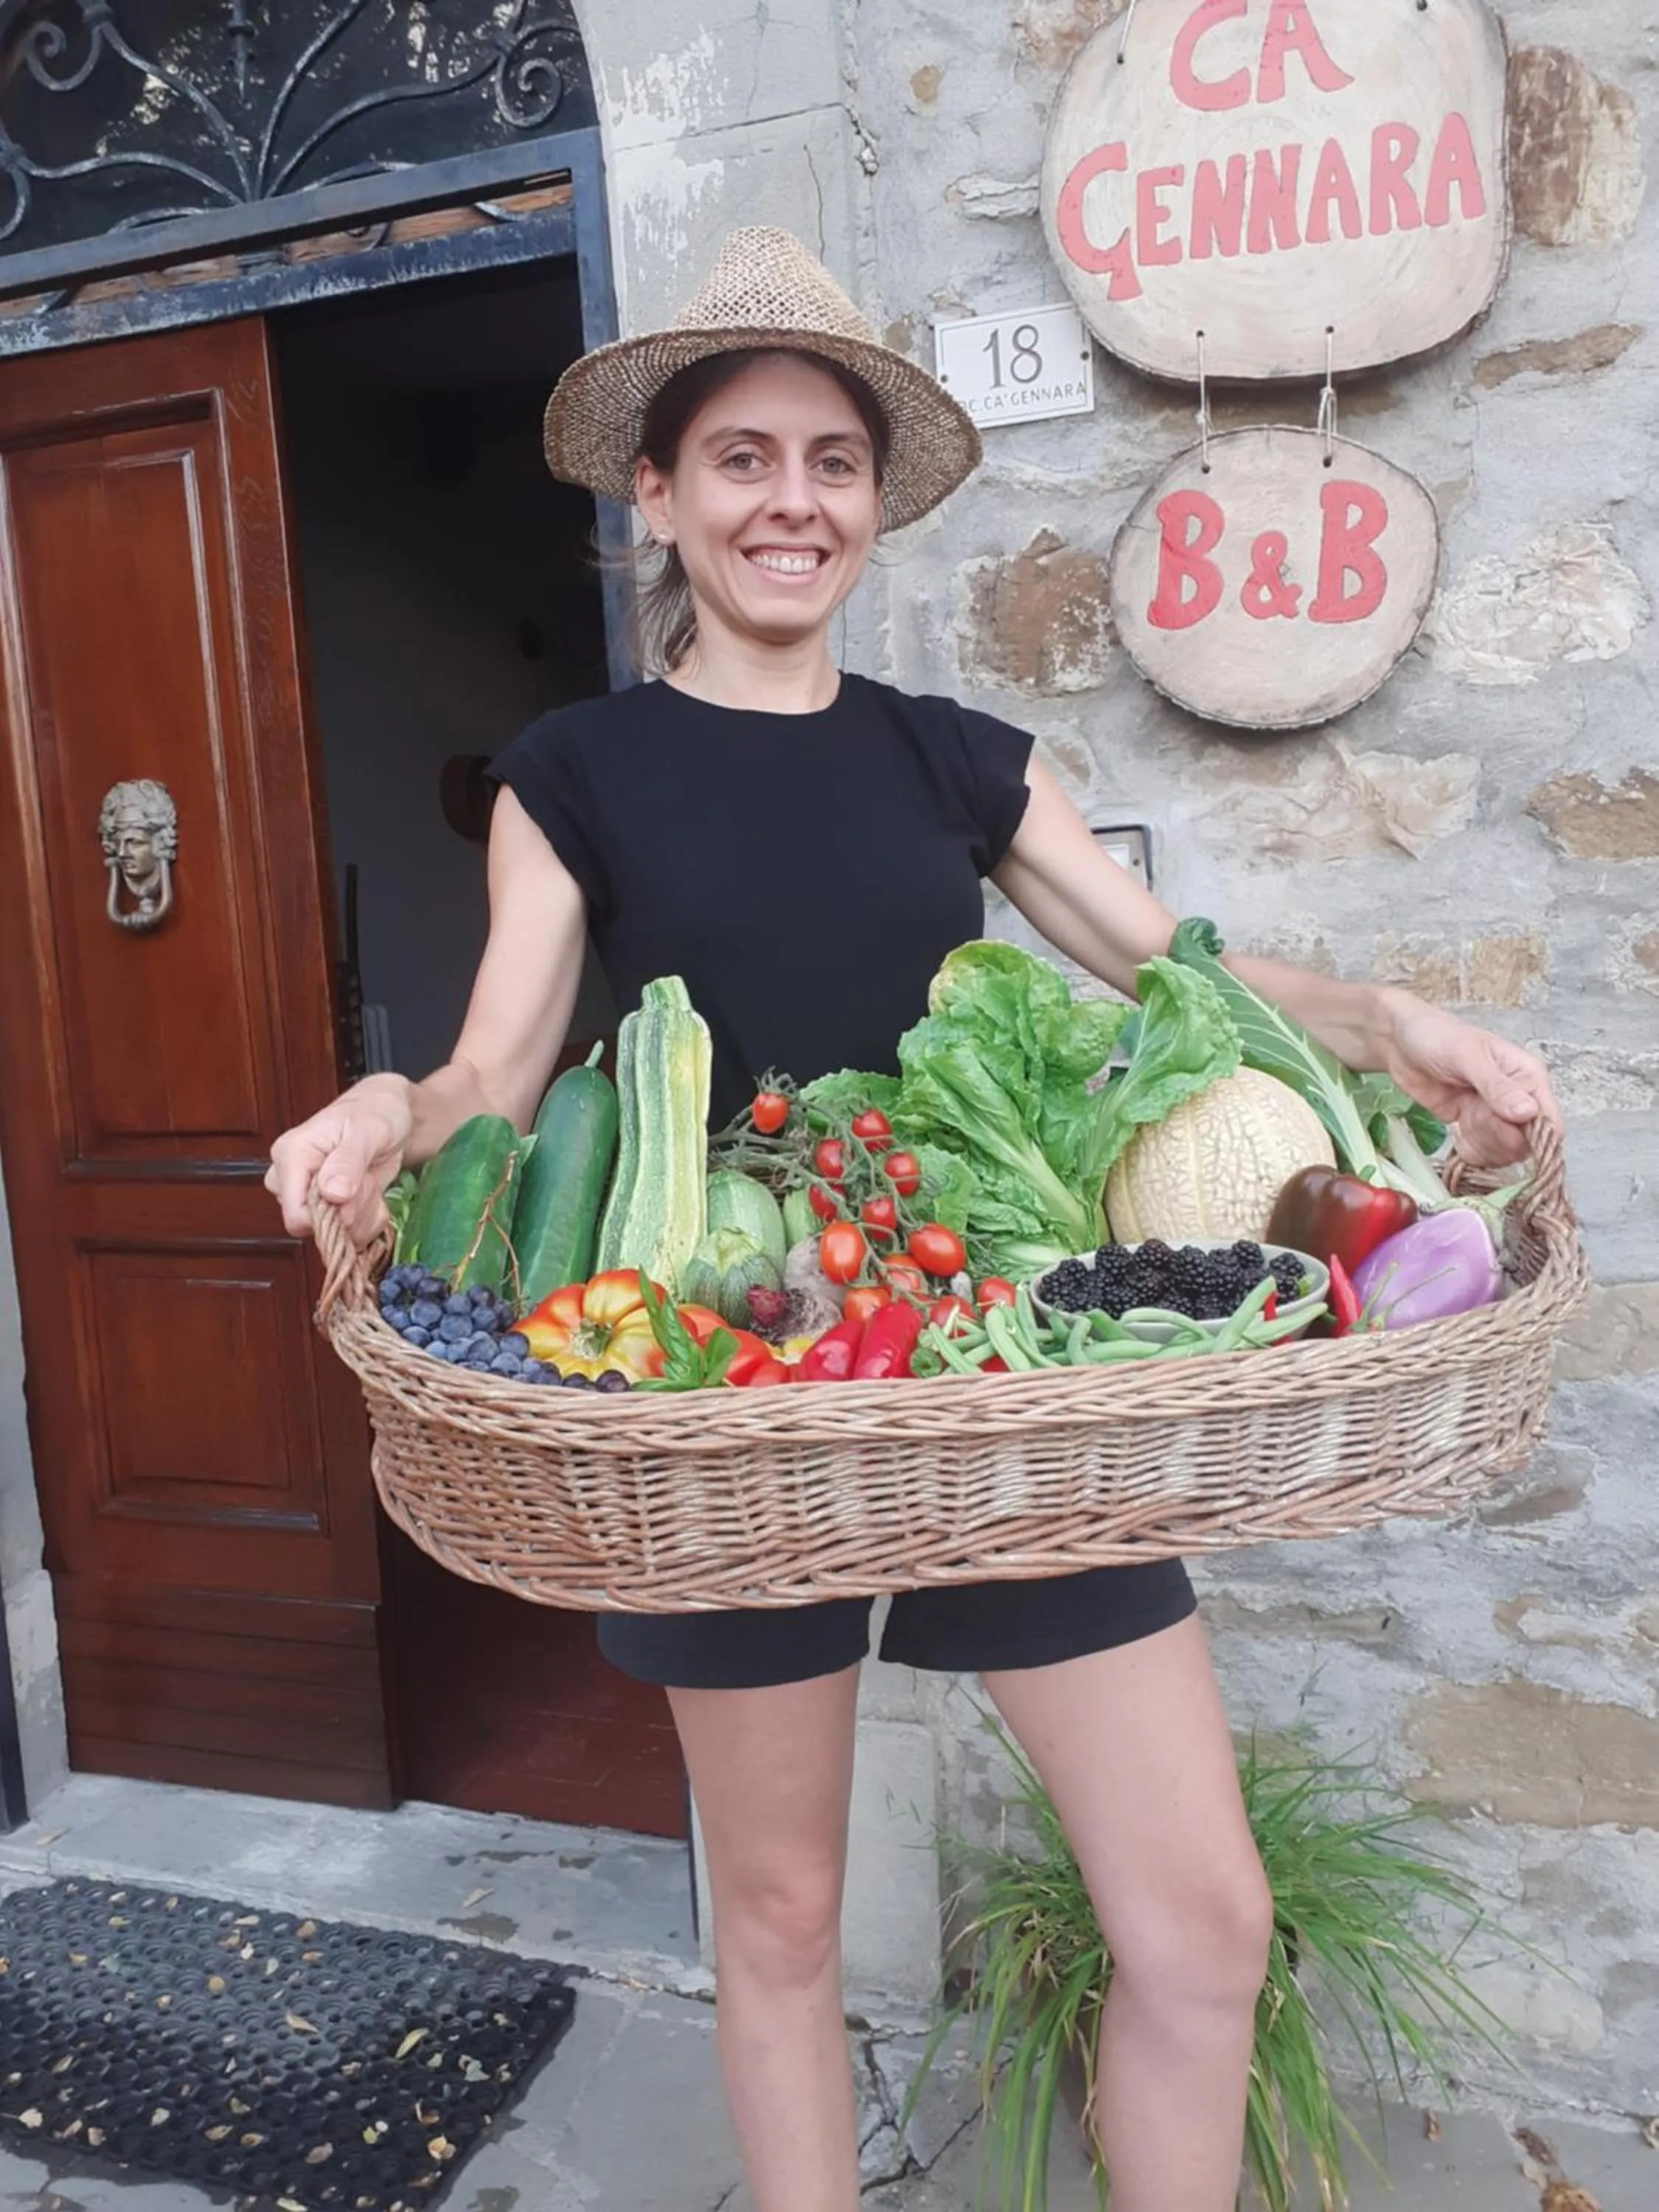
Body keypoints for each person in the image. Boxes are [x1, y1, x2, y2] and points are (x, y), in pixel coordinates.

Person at [267, 228, 1559, 2212]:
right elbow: (499, 1076)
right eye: (742, 459)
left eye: (831, 463)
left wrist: (1393, 1020)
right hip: (722, 1388)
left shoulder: (956, 759)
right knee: (783, 1931)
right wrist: (392, 1105)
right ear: (662, 501)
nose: (793, 501)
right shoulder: (573, 773)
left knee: (1200, 1925)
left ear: (873, 501)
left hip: (991, 1371)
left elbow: (1184, 977)